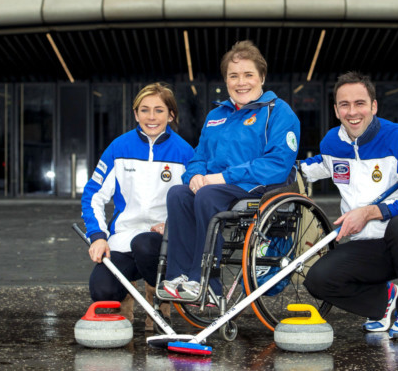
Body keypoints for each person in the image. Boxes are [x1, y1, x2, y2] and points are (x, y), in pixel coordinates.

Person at [301, 71, 398, 340]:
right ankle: (383, 301)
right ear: (336, 109)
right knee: (318, 280)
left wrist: (369, 212)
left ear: (374, 106)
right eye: (344, 104)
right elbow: (314, 168)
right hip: (369, 248)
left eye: (360, 103)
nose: (352, 112)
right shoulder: (332, 143)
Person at [157, 40, 301, 301]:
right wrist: (195, 177)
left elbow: (277, 165)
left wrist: (218, 178)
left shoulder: (279, 112)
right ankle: (177, 277)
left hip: (257, 188)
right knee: (178, 194)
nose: (241, 82)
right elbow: (198, 157)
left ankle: (206, 281)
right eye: (233, 76)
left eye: (248, 74)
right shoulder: (216, 115)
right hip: (217, 186)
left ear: (262, 77)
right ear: (226, 80)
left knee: (207, 196)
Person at [81, 82, 194, 332]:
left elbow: (194, 204)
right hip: (123, 238)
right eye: (144, 110)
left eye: (159, 110)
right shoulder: (119, 148)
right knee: (102, 291)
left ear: (171, 114)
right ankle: (128, 296)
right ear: (135, 114)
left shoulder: (186, 153)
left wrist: (173, 226)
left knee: (144, 244)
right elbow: (93, 196)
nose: (151, 117)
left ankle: (159, 300)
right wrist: (98, 237)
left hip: (160, 242)